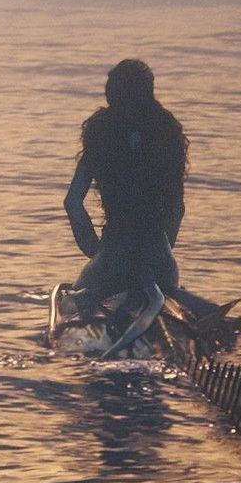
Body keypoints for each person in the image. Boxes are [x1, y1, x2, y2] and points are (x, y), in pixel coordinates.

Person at [62, 60, 186, 318]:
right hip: (159, 259)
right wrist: (162, 246)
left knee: (74, 303)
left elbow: (73, 202)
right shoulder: (166, 132)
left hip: (112, 258)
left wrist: (95, 251)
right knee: (163, 294)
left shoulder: (100, 134)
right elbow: (176, 207)